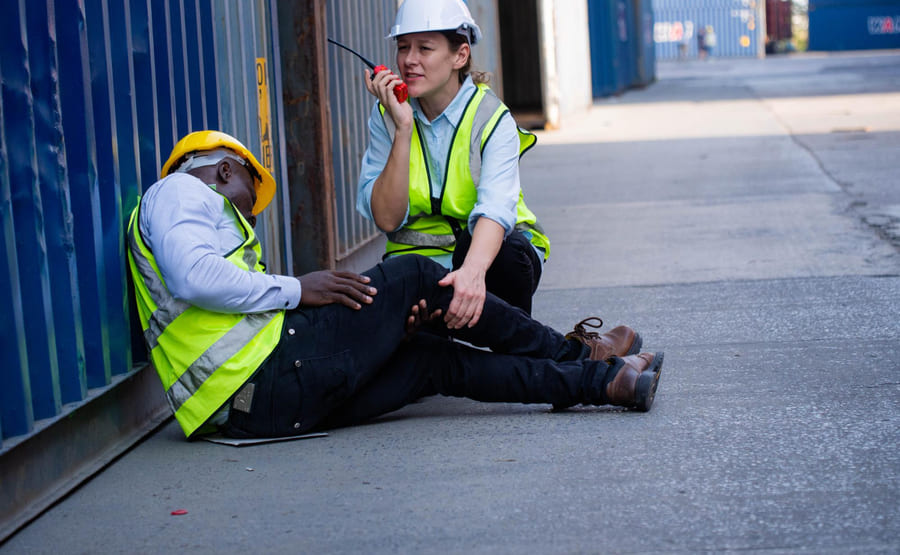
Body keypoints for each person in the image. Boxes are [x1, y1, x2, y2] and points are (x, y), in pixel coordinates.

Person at [126, 131, 664, 440]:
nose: (251, 210)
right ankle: (577, 353)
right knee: (414, 275)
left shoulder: (187, 208)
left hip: (250, 412)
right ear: (225, 171)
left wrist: (376, 331)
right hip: (260, 380)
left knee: (434, 360)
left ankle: (601, 383)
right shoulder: (178, 192)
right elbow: (194, 276)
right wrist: (298, 288)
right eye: (250, 194)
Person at [356, 0, 548, 332]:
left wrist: (471, 276)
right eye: (402, 47)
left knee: (508, 258)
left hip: (490, 260)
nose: (409, 60)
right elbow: (387, 218)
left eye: (424, 48)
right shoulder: (387, 116)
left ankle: (533, 350)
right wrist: (402, 128)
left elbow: (496, 209)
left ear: (460, 56)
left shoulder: (491, 118)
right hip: (418, 267)